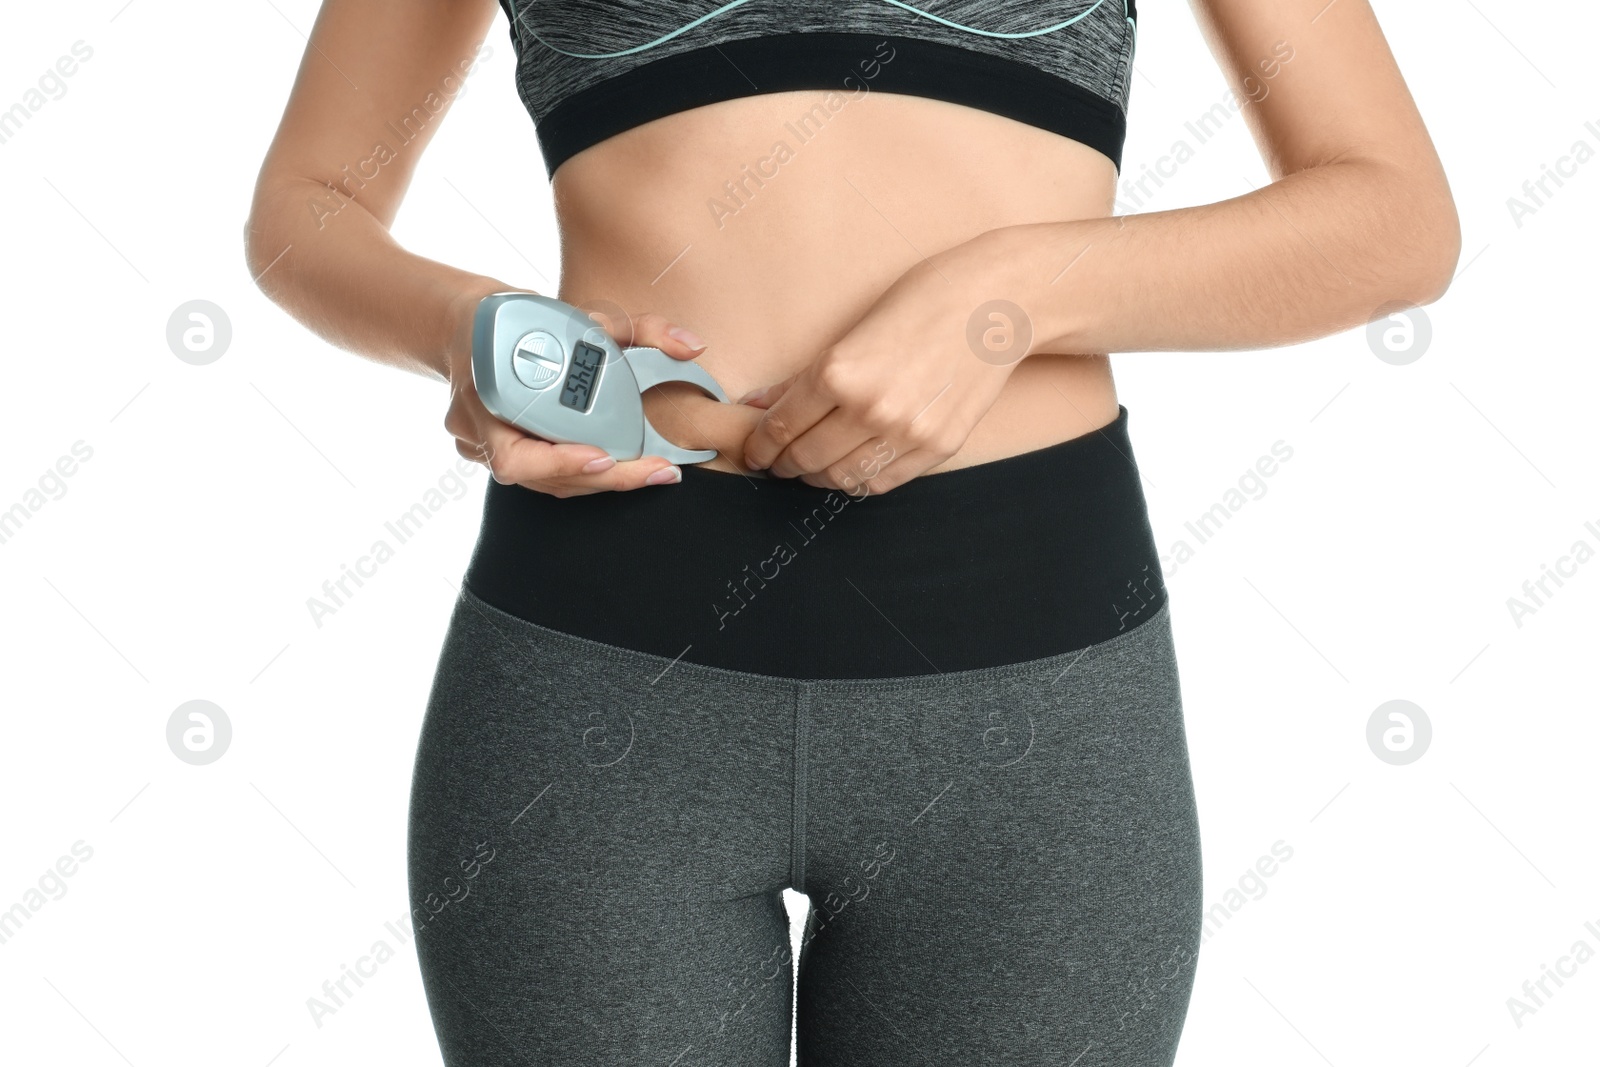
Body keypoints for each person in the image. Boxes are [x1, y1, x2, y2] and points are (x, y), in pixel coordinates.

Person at [245, 1, 1458, 1063]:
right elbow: (306, 208)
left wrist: (1009, 295)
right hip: (601, 665)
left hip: (1031, 685)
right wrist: (463, 326)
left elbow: (1392, 217)